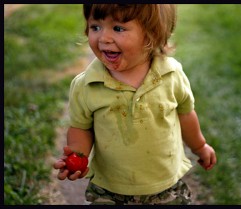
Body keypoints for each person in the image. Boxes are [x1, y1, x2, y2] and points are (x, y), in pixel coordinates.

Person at [53, 4, 217, 205]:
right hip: (109, 190)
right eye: (95, 27)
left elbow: (185, 114)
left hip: (165, 187)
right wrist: (78, 156)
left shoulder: (171, 75)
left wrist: (200, 146)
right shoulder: (86, 84)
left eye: (118, 28)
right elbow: (81, 128)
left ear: (151, 35)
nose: (103, 38)